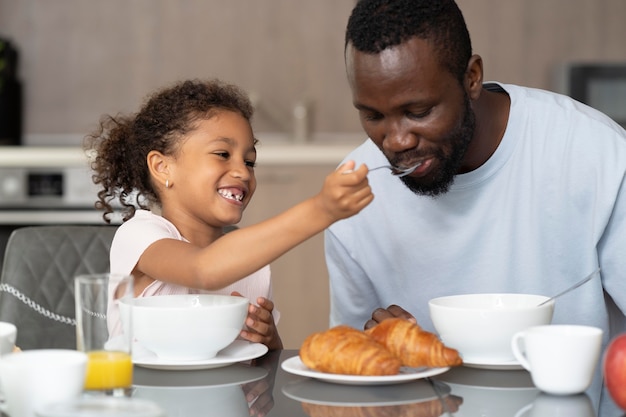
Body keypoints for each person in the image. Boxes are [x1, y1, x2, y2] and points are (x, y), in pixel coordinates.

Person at [325, 0, 626, 343]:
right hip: (426, 399)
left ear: (471, 78)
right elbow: (349, 363)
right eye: (373, 116)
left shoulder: (596, 155)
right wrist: (379, 349)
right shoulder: (353, 197)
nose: (396, 141)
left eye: (419, 111)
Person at [86, 79, 373, 351]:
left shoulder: (251, 263)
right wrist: (320, 210)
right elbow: (203, 270)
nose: (242, 172)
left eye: (250, 161)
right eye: (223, 154)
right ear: (162, 167)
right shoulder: (139, 235)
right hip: (143, 400)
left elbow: (261, 376)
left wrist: (269, 340)